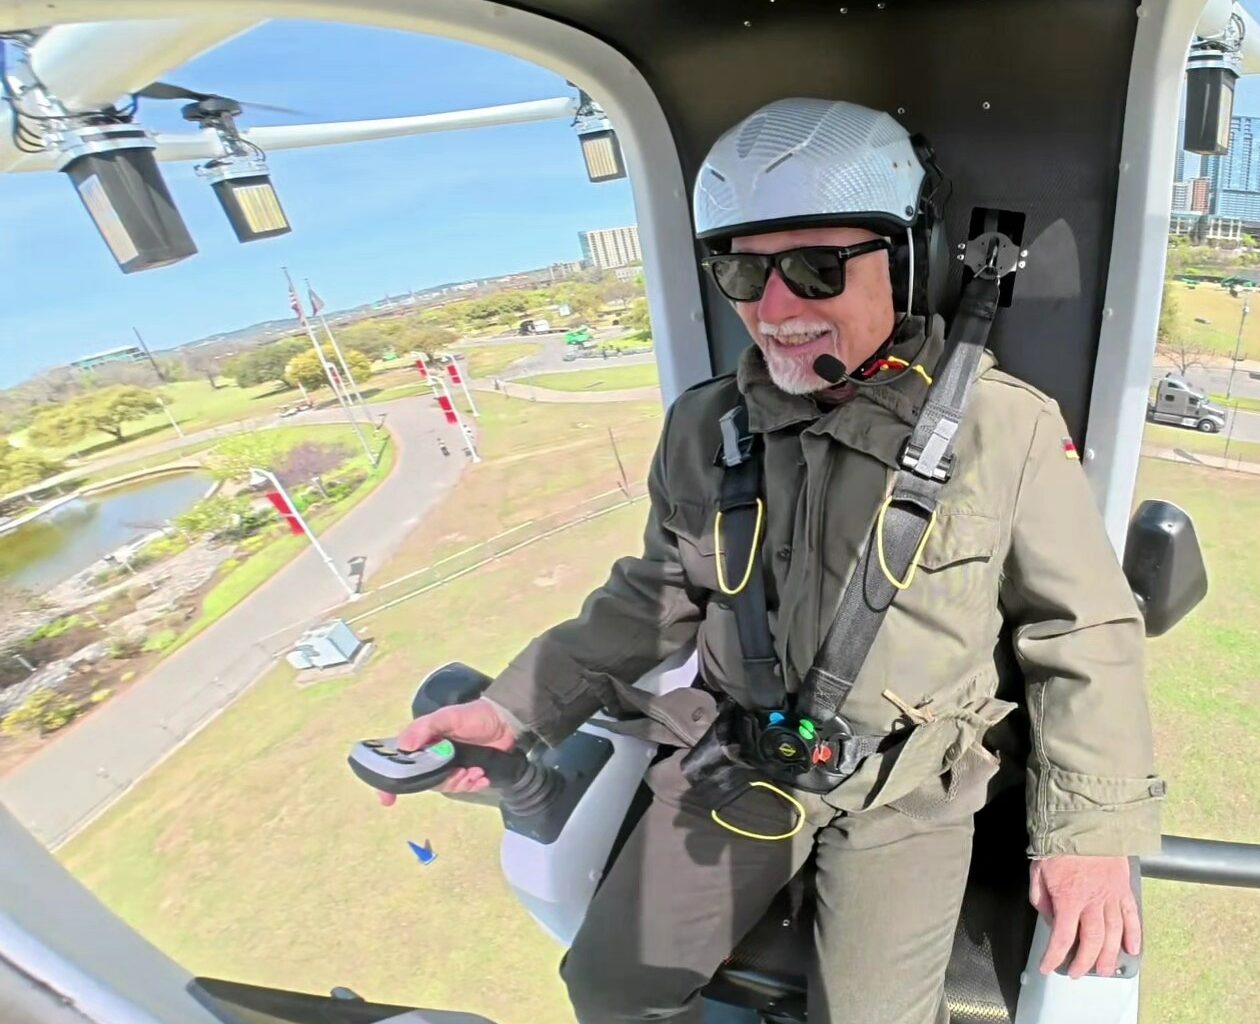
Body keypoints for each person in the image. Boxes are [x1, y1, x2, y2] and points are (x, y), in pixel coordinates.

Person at [378, 98, 1162, 1024]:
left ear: (905, 262)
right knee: (608, 988)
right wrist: (512, 710)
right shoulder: (704, 429)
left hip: (904, 791)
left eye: (816, 266)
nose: (776, 308)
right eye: (742, 273)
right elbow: (656, 594)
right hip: (735, 760)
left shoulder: (1008, 429)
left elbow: (1083, 632)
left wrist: (1093, 836)